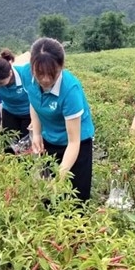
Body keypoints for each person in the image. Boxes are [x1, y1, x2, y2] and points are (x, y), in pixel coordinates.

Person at [23, 38, 94, 202]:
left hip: (77, 143)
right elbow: (34, 101)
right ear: (32, 67)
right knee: (47, 197)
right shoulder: (27, 75)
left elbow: (74, 142)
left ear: (61, 67)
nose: (46, 79)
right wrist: (37, 134)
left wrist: (60, 177)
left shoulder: (70, 90)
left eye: (52, 73)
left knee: (75, 199)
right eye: (40, 73)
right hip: (50, 139)